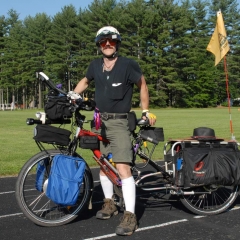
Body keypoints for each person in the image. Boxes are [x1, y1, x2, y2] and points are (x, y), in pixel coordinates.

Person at [71, 26, 156, 236]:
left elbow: (142, 85)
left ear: (117, 43)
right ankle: (109, 204)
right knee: (102, 164)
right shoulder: (95, 65)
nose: (107, 45)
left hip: (119, 122)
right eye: (103, 42)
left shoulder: (128, 65)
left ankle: (130, 216)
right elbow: (85, 81)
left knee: (123, 167)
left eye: (111, 41)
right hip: (99, 121)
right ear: (99, 46)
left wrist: (146, 111)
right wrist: (72, 94)